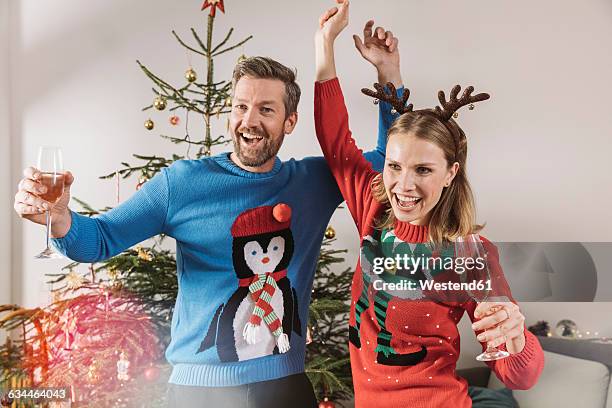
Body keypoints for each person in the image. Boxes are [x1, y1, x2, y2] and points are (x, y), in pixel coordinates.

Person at [13, 15, 405, 408]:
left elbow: (391, 162)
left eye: (266, 110)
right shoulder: (182, 183)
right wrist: (61, 220)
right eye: (241, 107)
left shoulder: (314, 182)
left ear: (290, 121)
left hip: (284, 388)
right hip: (197, 393)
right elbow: (97, 241)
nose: (249, 121)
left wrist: (389, 73)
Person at [313, 1, 544, 407]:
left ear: (451, 173)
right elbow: (335, 140)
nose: (404, 185)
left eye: (423, 170)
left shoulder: (469, 256)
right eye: (395, 166)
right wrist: (325, 44)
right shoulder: (375, 209)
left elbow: (519, 376)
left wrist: (517, 335)